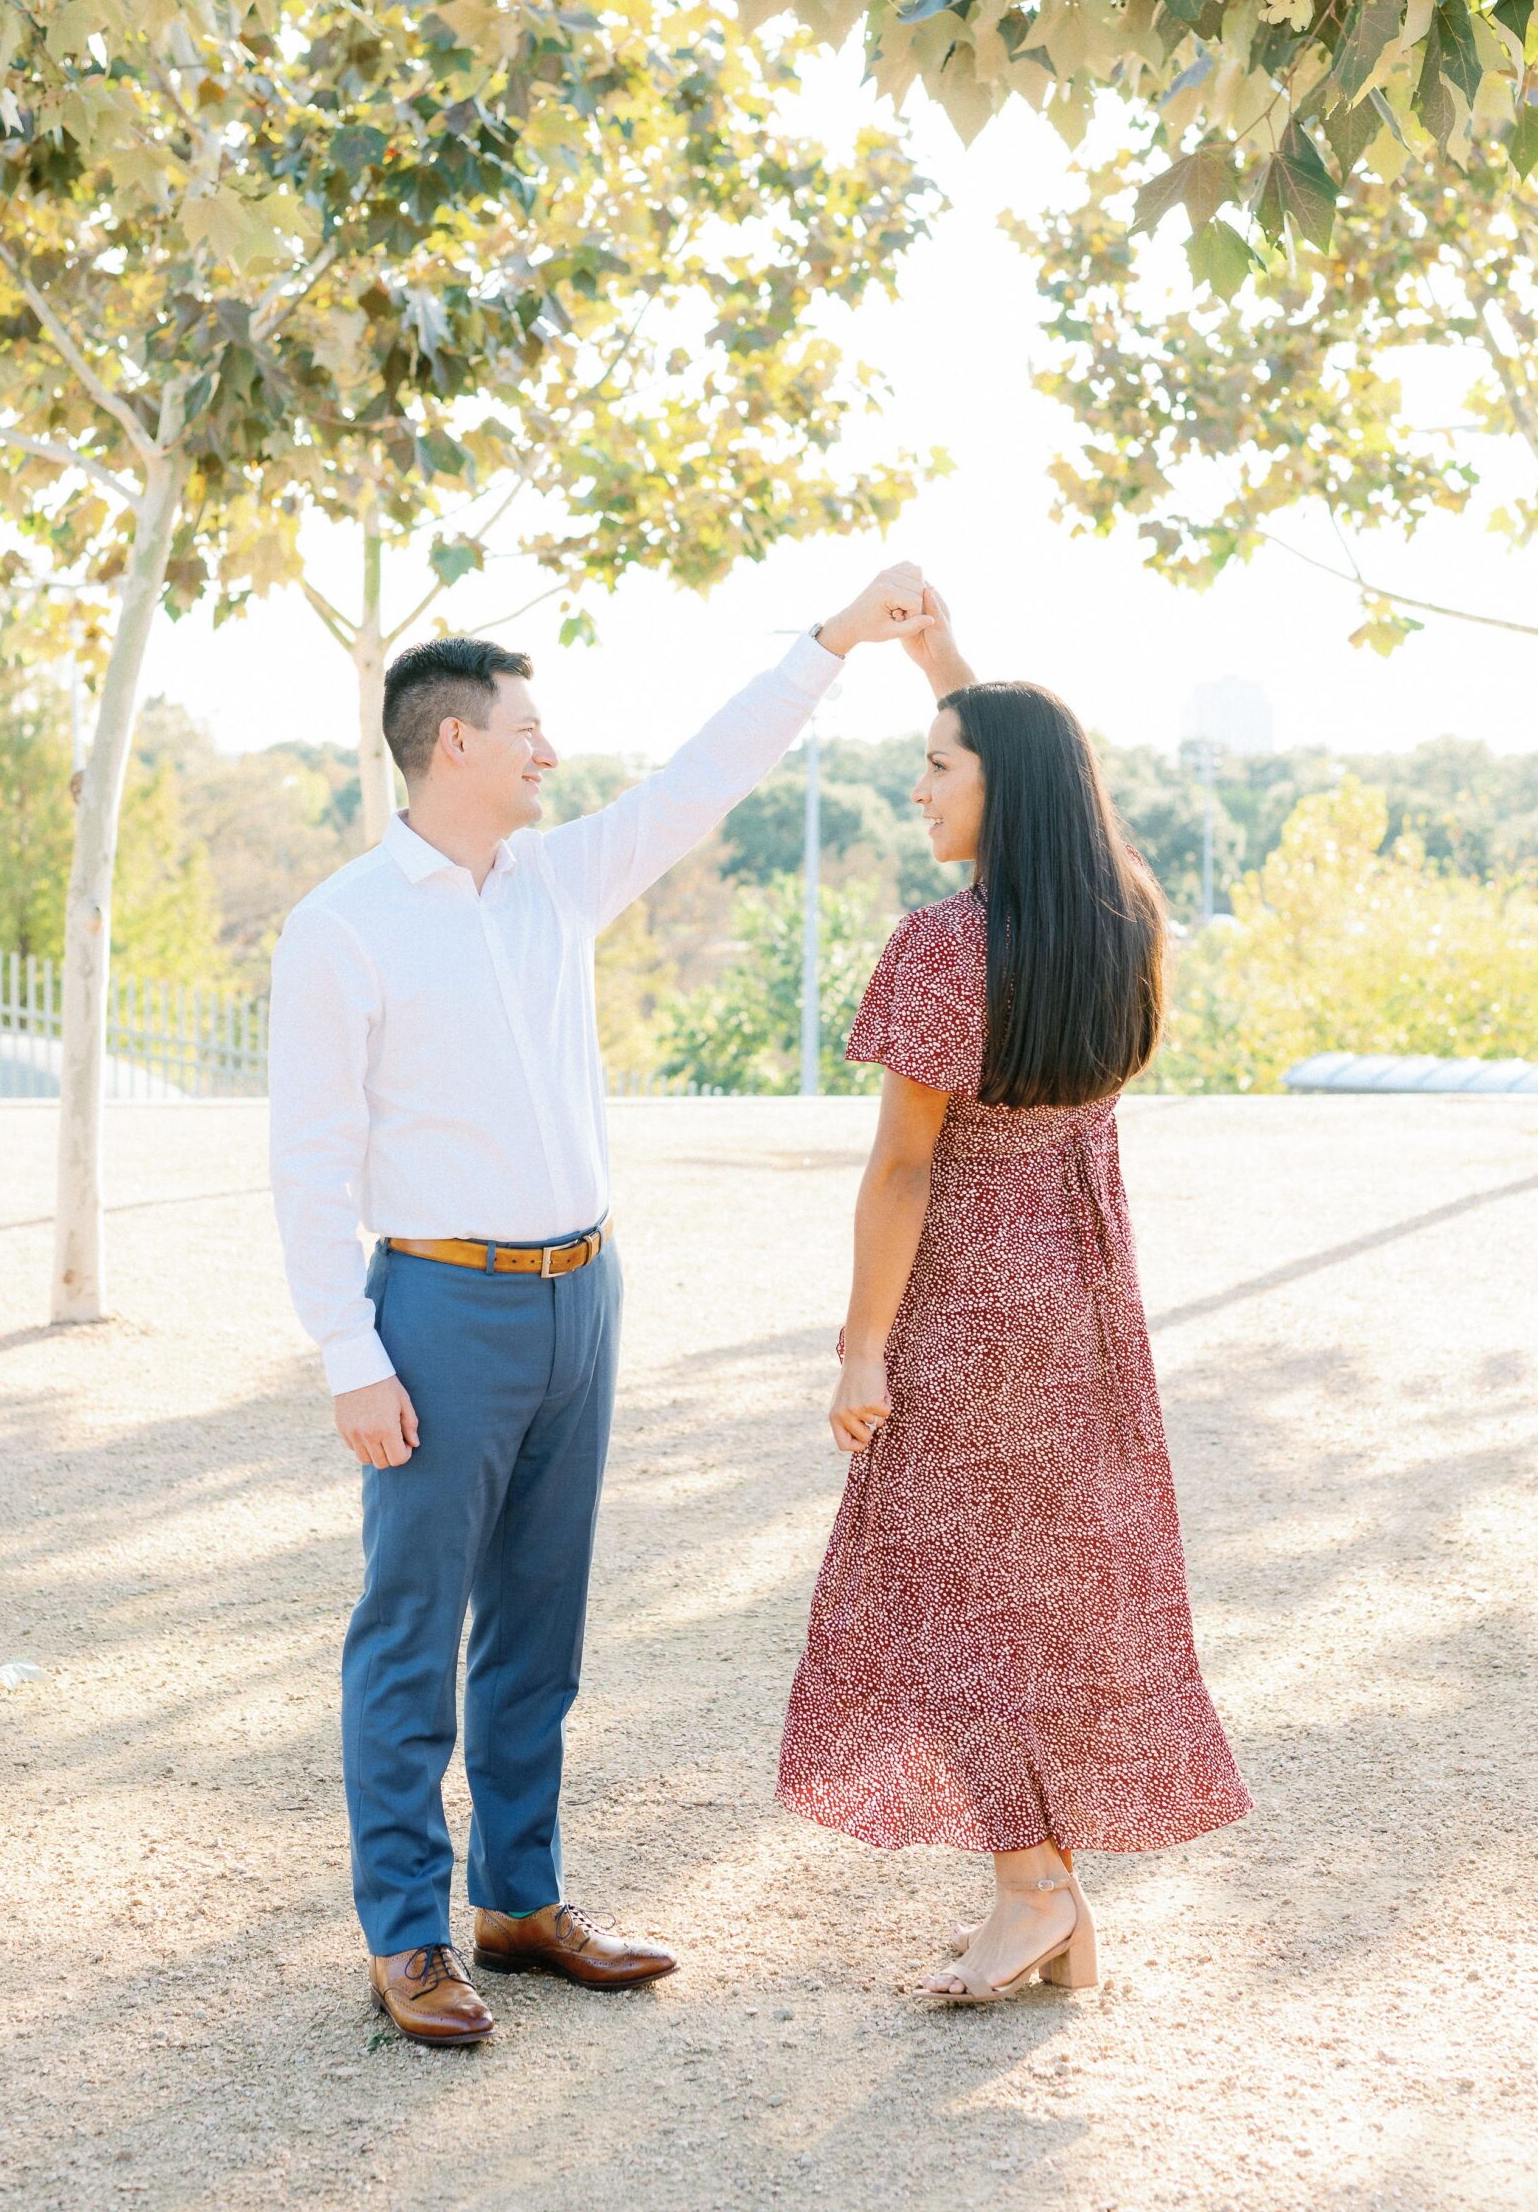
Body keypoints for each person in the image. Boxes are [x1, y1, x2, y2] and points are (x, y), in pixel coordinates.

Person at [268, 564, 935, 2046]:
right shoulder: (344, 924)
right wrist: (348, 1351)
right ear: (456, 744)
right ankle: (408, 1937)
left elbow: (708, 776)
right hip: (436, 1307)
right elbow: (308, 1160)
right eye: (527, 729)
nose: (549, 753)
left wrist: (832, 641)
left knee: (540, 1628)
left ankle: (518, 1902)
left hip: (586, 1292)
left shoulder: (559, 881)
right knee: (409, 1632)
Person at [776, 591, 1252, 2002]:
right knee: (1038, 1592)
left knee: (950, 1598)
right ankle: (1056, 1905)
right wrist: (948, 674)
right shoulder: (1123, 923)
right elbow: (1054, 788)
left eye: (938, 764)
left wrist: (863, 1352)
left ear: (997, 788)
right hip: (1087, 1298)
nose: (915, 787)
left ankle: (1032, 1888)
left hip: (974, 1303)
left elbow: (904, 1170)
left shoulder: (944, 946)